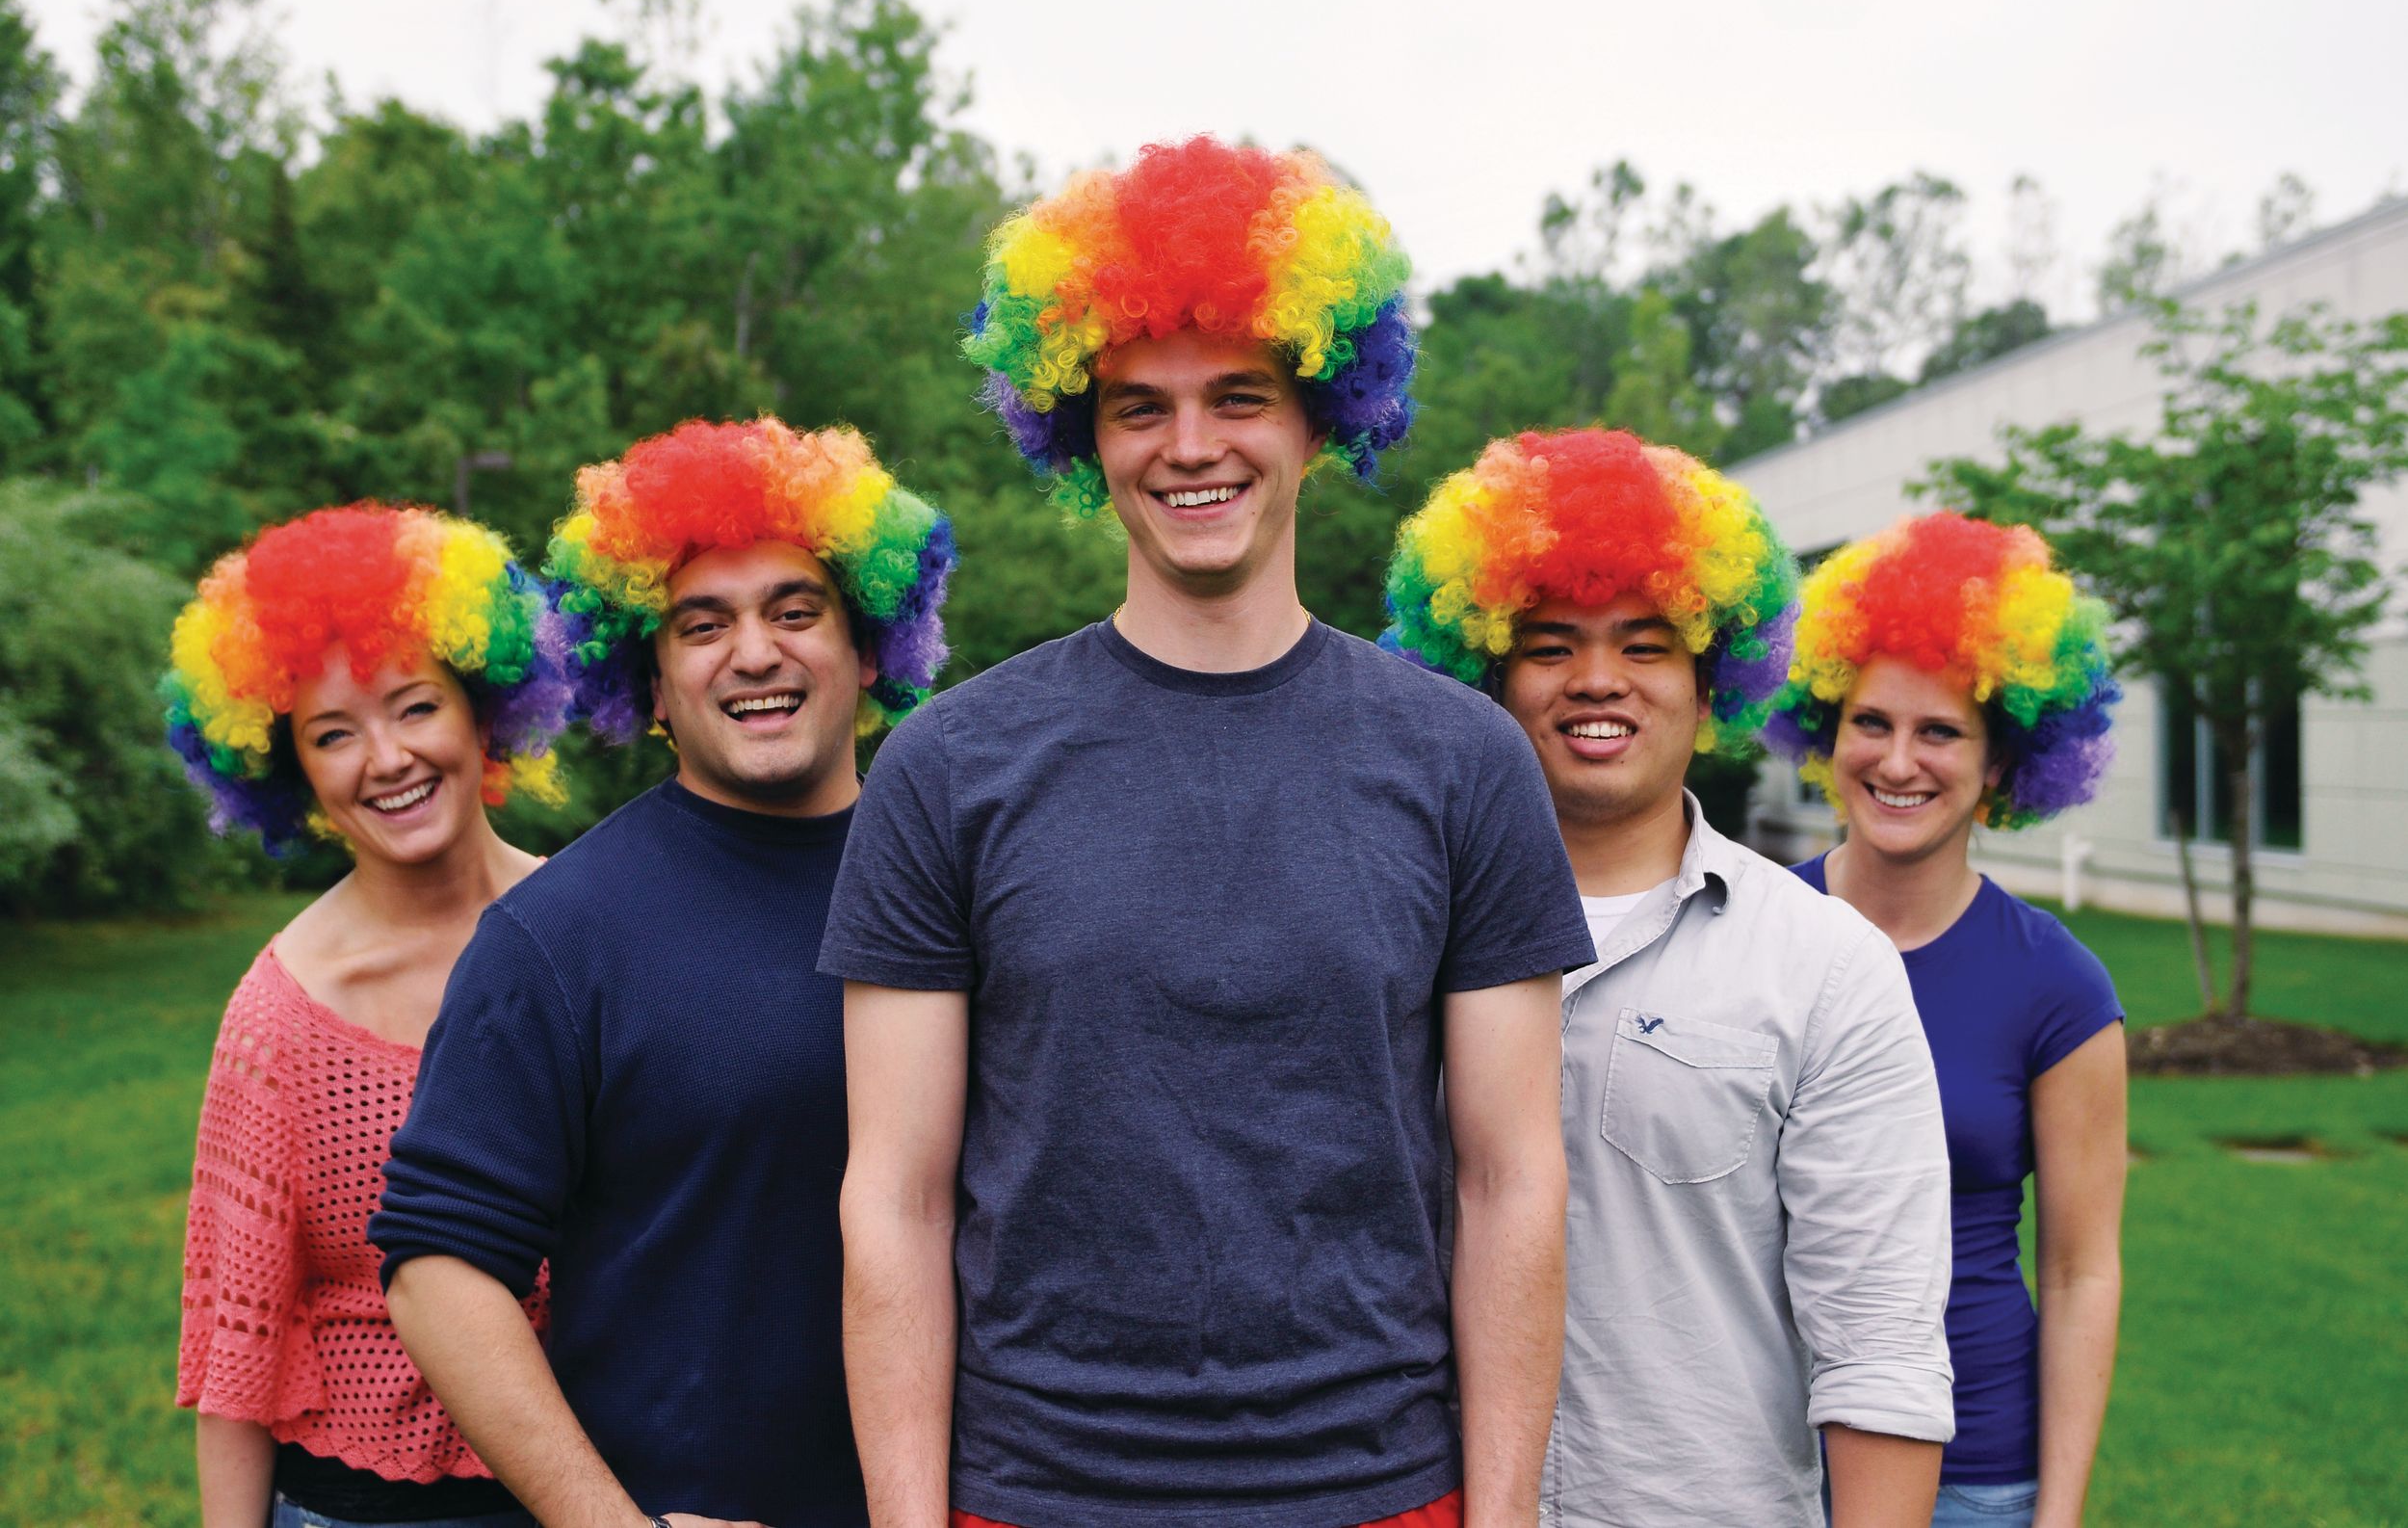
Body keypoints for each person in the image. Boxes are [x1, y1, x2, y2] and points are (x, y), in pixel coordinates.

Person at [826, 136, 1590, 1528]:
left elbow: (1511, 1176)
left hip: (1375, 1490)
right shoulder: (950, 766)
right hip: (1039, 1493)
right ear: (1080, 433)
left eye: (1239, 397)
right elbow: (896, 1196)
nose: (1191, 447)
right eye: (1139, 408)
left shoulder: (1463, 761)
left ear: (1317, 419)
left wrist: (1507, 1513)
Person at [370, 419, 956, 1528]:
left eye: (795, 611)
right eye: (702, 625)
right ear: (645, 683)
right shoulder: (559, 934)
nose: (754, 652)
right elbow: (439, 1267)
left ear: (871, 646)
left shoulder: (965, 888)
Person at [1383, 427, 1957, 1528]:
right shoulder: (1386, 945)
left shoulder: (1827, 967)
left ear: (1711, 688)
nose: (1597, 680)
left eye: (1646, 647)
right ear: (1486, 683)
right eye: (1550, 645)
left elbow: (1879, 1343)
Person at [166, 502, 574, 1528]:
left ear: (485, 710)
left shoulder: (596, 937)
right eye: (332, 733)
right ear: (287, 766)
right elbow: (238, 1347)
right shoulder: (282, 1016)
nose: (385, 759)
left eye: (413, 706)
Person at [1767, 512, 2127, 1528]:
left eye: (1940, 731)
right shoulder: (1749, 930)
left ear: (2002, 764)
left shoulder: (2058, 985)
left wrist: (2055, 1513)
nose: (1897, 761)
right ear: (1825, 733)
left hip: (1977, 1468)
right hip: (1760, 1455)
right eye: (1871, 722)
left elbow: (2079, 1267)